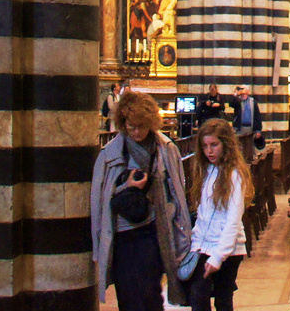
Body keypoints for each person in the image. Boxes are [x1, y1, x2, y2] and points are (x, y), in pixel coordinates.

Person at [91, 90, 191, 310]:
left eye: (142, 127)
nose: (136, 132)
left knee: (150, 294)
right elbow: (99, 200)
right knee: (128, 297)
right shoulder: (109, 154)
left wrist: (182, 231)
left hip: (153, 230)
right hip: (123, 235)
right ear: (123, 124)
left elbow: (176, 190)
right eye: (131, 127)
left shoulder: (166, 149)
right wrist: (127, 186)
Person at [187, 119, 253, 311]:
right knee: (198, 298)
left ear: (226, 144)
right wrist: (195, 244)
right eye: (205, 146)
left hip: (229, 249)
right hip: (204, 245)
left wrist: (218, 256)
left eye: (214, 145)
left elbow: (233, 220)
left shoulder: (234, 174)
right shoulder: (207, 169)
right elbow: (203, 213)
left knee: (223, 301)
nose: (209, 151)